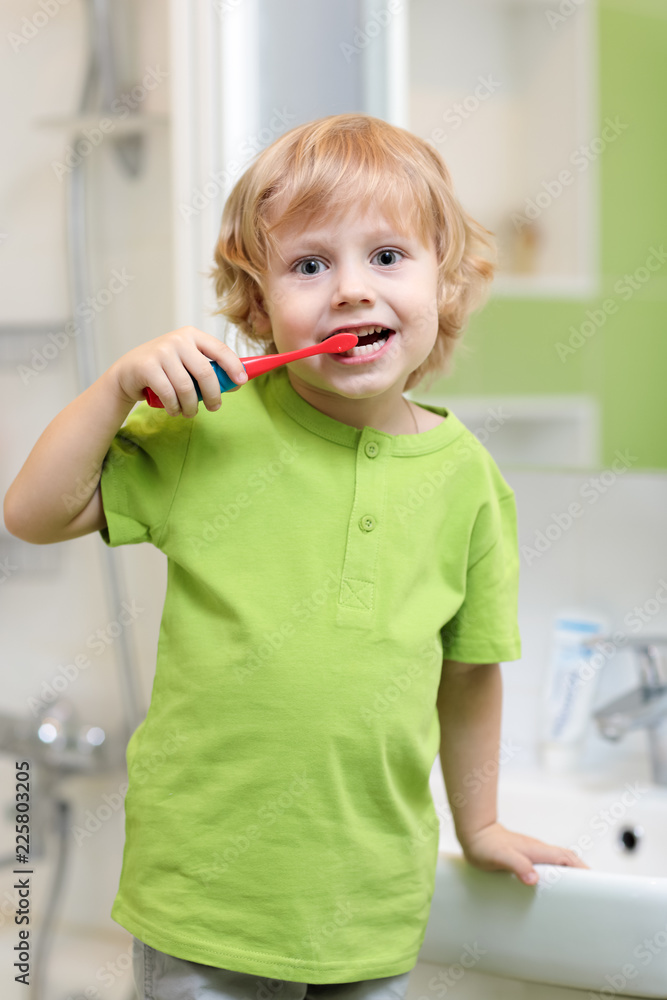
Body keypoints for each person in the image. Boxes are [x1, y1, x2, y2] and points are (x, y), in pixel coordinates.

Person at [3, 113, 588, 999]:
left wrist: (481, 825)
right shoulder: (211, 435)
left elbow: (470, 674)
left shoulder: (468, 481)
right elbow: (33, 514)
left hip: (370, 910)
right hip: (201, 904)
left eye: (387, 256)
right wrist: (117, 385)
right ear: (259, 302)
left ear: (448, 281)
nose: (351, 290)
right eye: (310, 265)